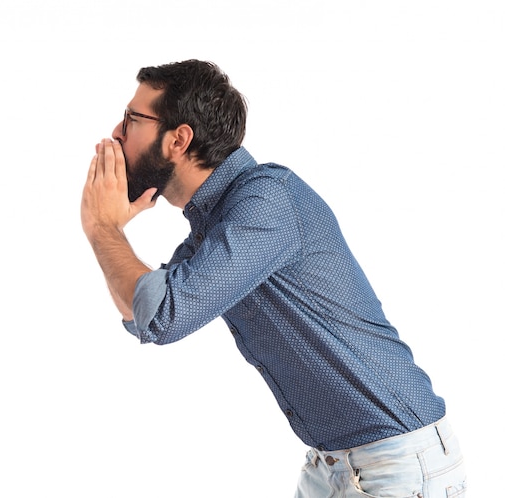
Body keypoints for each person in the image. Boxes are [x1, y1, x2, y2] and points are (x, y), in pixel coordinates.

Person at [80, 59, 467, 497]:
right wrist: (104, 231)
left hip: (397, 463)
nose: (116, 132)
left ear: (179, 139)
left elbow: (163, 315)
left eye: (132, 119)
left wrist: (102, 229)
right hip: (336, 464)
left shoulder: (265, 200)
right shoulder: (217, 224)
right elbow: (145, 313)